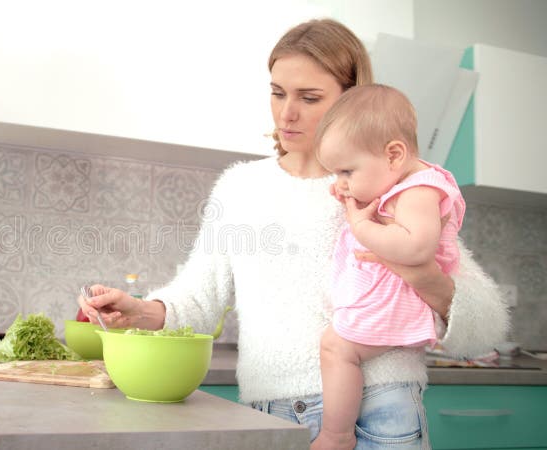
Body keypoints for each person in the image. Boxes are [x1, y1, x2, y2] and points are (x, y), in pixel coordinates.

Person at [78, 18, 508, 449]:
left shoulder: (388, 186)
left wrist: (423, 276)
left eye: (310, 97)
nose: (287, 112)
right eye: (278, 92)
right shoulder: (241, 187)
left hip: (381, 407)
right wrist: (138, 310)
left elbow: (485, 327)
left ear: (350, 99)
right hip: (272, 413)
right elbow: (198, 301)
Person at [311, 84, 466, 450]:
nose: (341, 184)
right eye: (336, 173)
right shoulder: (402, 183)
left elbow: (415, 247)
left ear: (394, 155)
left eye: (347, 170)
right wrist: (351, 185)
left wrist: (362, 227)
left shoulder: (419, 191)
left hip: (398, 299)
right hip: (391, 296)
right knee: (336, 345)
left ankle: (337, 434)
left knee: (337, 348)